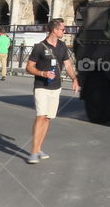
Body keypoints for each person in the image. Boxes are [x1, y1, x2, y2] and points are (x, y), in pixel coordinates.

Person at [25, 18, 79, 164]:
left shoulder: (62, 46)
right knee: (40, 116)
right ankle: (34, 151)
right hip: (41, 86)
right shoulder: (39, 47)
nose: (64, 31)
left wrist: (74, 79)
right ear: (54, 30)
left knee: (48, 118)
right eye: (62, 29)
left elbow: (67, 65)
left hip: (56, 87)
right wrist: (43, 74)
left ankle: (39, 148)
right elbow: (29, 67)